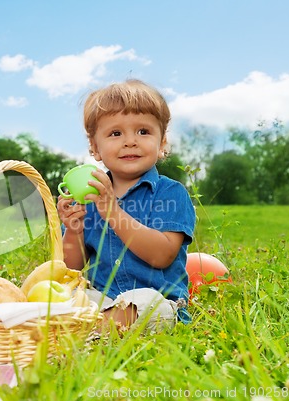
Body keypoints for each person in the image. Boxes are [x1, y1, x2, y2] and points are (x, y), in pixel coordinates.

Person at [57, 79, 196, 332]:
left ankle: (86, 334)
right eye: (115, 133)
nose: (130, 141)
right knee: (63, 298)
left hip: (155, 299)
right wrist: (74, 230)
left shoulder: (171, 193)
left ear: (162, 143)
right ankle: (92, 329)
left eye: (143, 132)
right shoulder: (88, 197)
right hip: (102, 298)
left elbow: (162, 255)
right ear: (95, 148)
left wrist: (113, 213)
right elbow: (72, 267)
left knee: (150, 306)